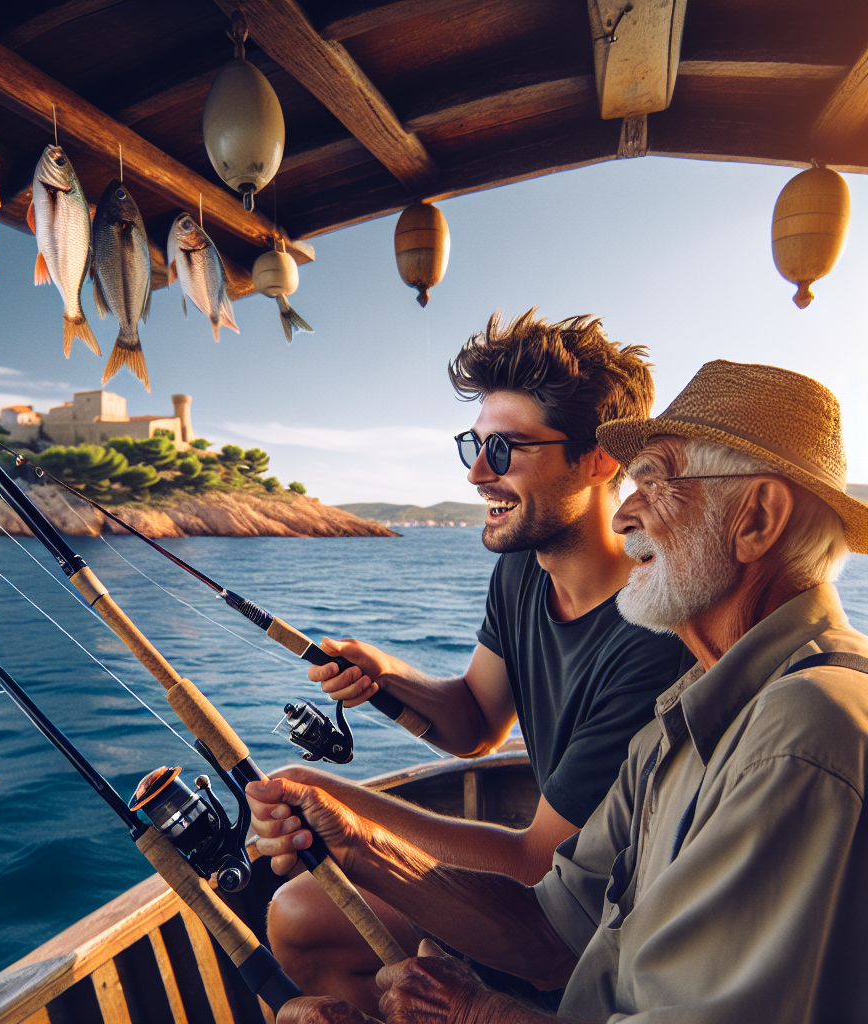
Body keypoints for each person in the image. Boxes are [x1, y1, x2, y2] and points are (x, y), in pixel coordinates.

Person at [253, 359, 868, 1024]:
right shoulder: (695, 704)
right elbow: (555, 929)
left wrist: (477, 1015)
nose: (626, 512)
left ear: (757, 518)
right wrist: (354, 843)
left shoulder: (803, 734)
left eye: (657, 481)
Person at [266, 310, 694, 1012]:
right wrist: (385, 677)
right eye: (474, 444)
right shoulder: (525, 568)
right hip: (548, 884)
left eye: (504, 450)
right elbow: (474, 725)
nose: (474, 472)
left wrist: (339, 808)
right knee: (301, 920)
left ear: (600, 459)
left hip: (603, 927)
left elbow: (536, 867)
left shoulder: (655, 636)